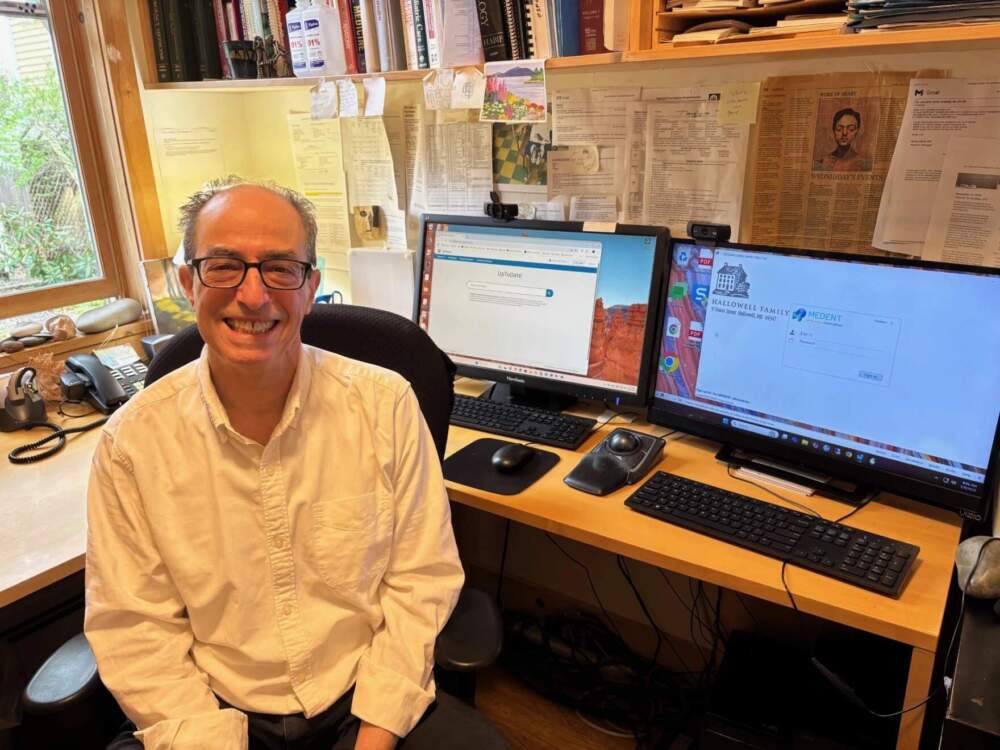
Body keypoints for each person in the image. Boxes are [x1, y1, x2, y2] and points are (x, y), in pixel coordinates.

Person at [85, 177, 508, 750]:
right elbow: (137, 629)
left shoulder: (385, 405)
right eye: (223, 265)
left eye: (281, 267)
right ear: (188, 282)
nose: (254, 295)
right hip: (213, 715)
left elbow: (421, 580)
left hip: (364, 699)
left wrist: (376, 735)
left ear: (311, 287)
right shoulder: (131, 444)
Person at [814, 107, 871, 172]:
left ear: (856, 132)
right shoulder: (822, 162)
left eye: (851, 129)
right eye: (839, 128)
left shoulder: (863, 163)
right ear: (834, 130)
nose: (844, 133)